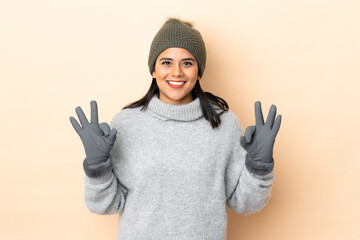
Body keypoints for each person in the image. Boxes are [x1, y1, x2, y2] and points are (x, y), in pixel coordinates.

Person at [70, 17, 282, 240]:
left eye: (187, 63)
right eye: (166, 62)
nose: (177, 72)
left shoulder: (225, 126)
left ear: (198, 71)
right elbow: (107, 205)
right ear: (153, 69)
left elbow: (244, 204)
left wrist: (259, 169)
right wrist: (97, 169)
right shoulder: (125, 124)